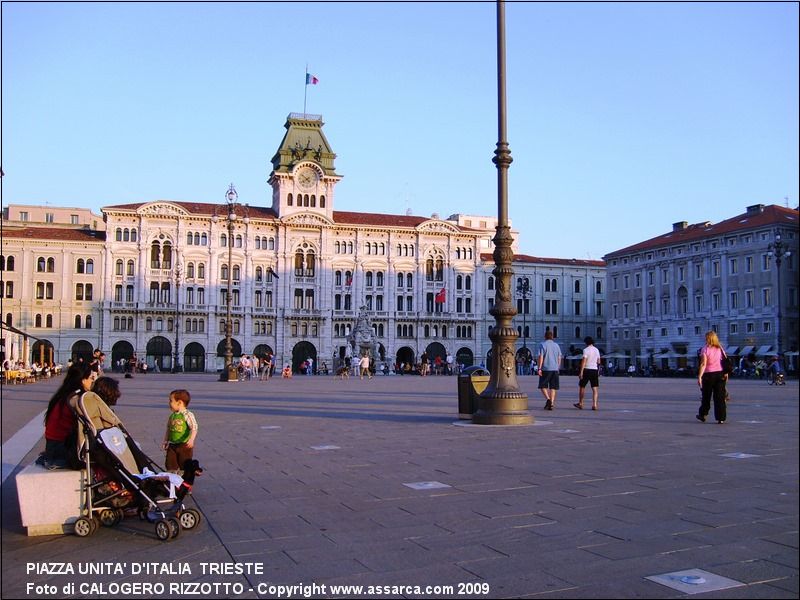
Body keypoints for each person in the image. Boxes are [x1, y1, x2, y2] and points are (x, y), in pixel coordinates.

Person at [40, 363, 98, 469]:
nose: (92, 381)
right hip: (61, 450)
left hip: (53, 446)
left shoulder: (64, 395)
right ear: (82, 380)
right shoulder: (76, 399)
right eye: (91, 378)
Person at [161, 389, 198, 473]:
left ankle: (187, 477)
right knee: (170, 463)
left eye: (171, 401)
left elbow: (194, 427)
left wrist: (191, 440)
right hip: (172, 444)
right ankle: (173, 477)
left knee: (184, 463)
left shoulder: (187, 415)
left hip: (184, 445)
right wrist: (165, 440)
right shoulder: (172, 416)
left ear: (179, 402)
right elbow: (168, 429)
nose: (169, 403)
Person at [696, 330, 728, 424]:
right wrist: (726, 374)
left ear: (707, 338)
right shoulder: (720, 349)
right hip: (720, 374)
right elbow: (725, 362)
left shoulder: (705, 349)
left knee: (706, 396)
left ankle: (703, 414)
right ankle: (721, 418)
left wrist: (699, 376)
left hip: (708, 375)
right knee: (720, 397)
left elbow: (703, 364)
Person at [537, 331, 562, 410]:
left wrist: (539, 368)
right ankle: (552, 403)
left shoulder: (543, 344)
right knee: (553, 387)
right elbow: (559, 357)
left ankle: (548, 400)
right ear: (552, 337)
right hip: (555, 368)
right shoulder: (556, 345)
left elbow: (541, 357)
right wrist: (558, 367)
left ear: (545, 336)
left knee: (542, 386)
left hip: (546, 368)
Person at [574, 336, 601, 411]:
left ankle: (581, 403)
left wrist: (581, 372)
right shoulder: (597, 350)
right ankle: (594, 404)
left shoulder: (585, 350)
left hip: (587, 370)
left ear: (586, 342)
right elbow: (599, 361)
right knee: (595, 388)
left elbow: (584, 361)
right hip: (594, 370)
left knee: (582, 387)